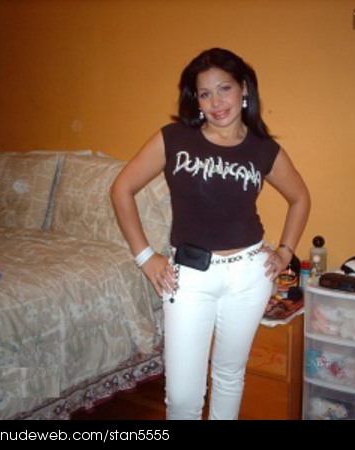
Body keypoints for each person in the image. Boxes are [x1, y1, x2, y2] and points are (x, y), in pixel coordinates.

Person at [110, 48, 310, 420]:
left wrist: (285, 251)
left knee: (230, 374)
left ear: (244, 89)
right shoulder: (174, 138)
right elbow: (122, 188)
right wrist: (144, 256)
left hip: (249, 275)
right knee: (182, 397)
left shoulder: (263, 149)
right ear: (196, 100)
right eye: (205, 94)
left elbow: (300, 198)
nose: (216, 102)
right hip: (190, 276)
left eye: (224, 88)